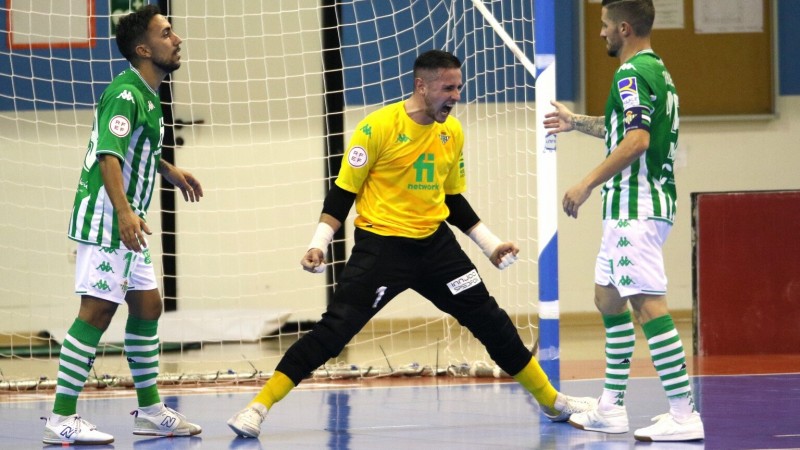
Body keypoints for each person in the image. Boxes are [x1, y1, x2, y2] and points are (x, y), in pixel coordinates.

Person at [227, 49, 595, 438]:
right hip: (382, 248)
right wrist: (318, 243)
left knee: (491, 320)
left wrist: (489, 244)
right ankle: (258, 407)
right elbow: (342, 194)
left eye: (458, 87)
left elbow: (451, 199)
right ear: (421, 85)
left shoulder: (451, 132)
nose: (455, 96)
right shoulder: (377, 128)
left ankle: (551, 402)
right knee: (334, 332)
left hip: (436, 248)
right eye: (446, 87)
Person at [542, 0, 704, 442]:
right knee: (607, 299)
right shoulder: (658, 72)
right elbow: (622, 127)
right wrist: (576, 122)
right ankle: (611, 408)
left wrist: (586, 183)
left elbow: (636, 140)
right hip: (629, 207)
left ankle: (684, 414)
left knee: (648, 305)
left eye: (605, 26)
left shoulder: (630, 74)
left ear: (625, 29)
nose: (601, 34)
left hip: (636, 206)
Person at [42, 5, 203, 445]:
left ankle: (149, 411)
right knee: (97, 312)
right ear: (142, 48)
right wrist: (125, 212)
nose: (177, 39)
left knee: (148, 306)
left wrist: (169, 170)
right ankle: (60, 419)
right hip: (109, 220)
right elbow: (108, 155)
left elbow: (136, 148)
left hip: (126, 221)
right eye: (166, 33)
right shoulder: (126, 93)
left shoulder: (148, 96)